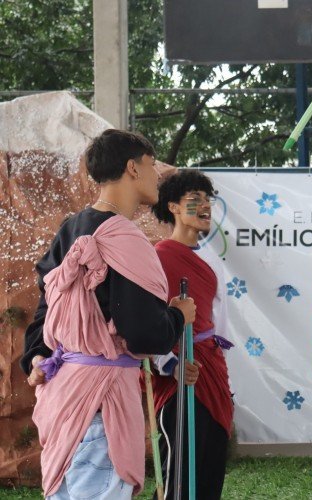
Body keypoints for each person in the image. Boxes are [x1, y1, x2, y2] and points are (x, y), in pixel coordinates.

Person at [21, 129, 195, 498]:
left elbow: (45, 310)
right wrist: (179, 315)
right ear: (133, 168)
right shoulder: (126, 238)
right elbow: (144, 333)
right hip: (102, 401)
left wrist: (36, 356)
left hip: (62, 393)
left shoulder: (70, 228)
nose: (156, 176)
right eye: (151, 166)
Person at [150, 169, 235, 500]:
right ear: (172, 207)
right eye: (194, 200)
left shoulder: (212, 257)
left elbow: (219, 324)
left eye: (208, 200)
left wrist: (219, 366)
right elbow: (148, 322)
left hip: (211, 369)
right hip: (179, 376)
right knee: (181, 474)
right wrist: (169, 364)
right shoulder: (158, 258)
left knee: (211, 468)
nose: (205, 207)